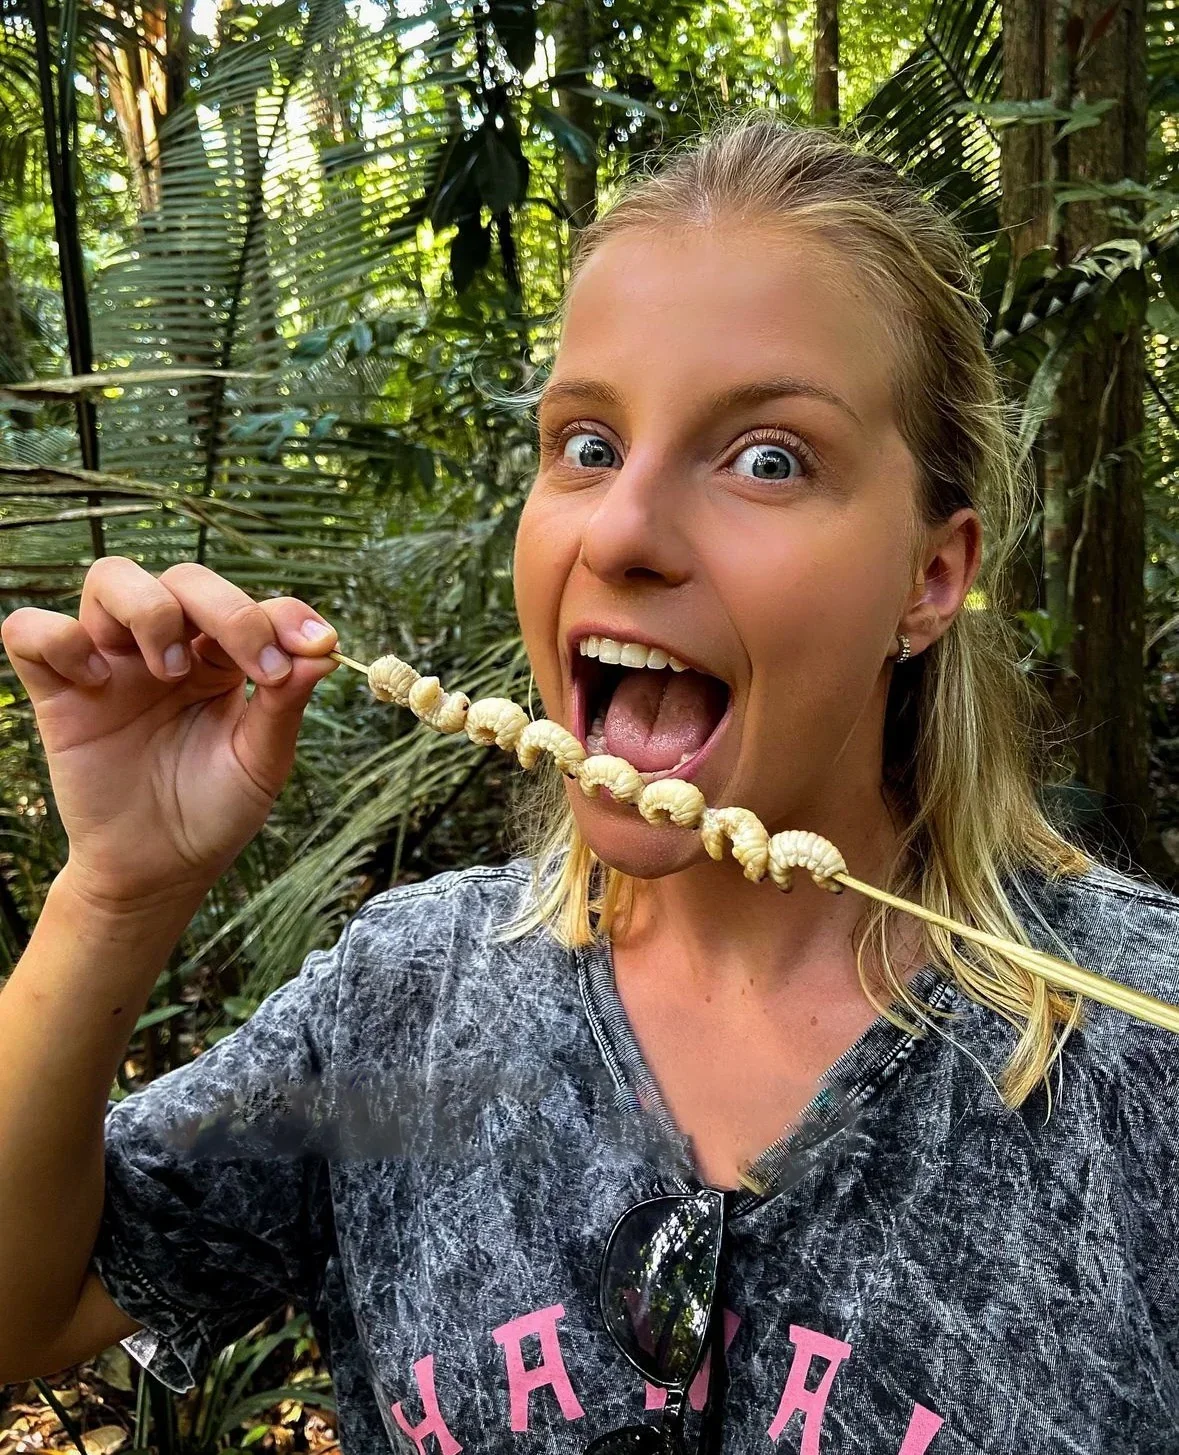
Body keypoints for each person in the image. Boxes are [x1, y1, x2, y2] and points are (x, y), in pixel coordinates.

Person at [1, 113, 1177, 1455]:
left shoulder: (1136, 1052)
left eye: (768, 458)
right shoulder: (408, 1002)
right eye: (586, 444)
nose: (619, 530)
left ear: (930, 574)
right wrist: (113, 891)